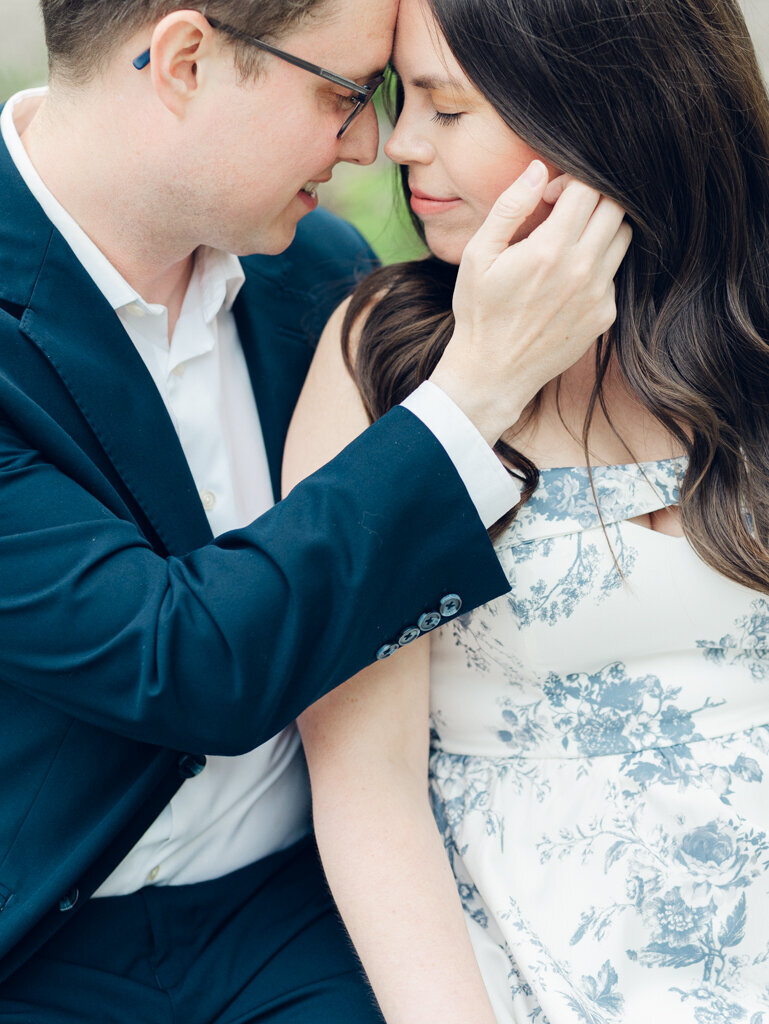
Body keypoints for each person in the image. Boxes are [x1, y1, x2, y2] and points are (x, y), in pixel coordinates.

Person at [0, 0, 631, 1019]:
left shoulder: (321, 275)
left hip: (297, 912)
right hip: (41, 939)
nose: (371, 144)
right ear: (186, 62)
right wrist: (468, 395)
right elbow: (184, 660)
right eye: (343, 95)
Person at [283, 0, 769, 1020]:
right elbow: (365, 786)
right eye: (398, 99)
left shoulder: (751, 333)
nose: (398, 144)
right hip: (520, 968)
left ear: (597, 115)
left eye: (446, 109)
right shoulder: (383, 355)